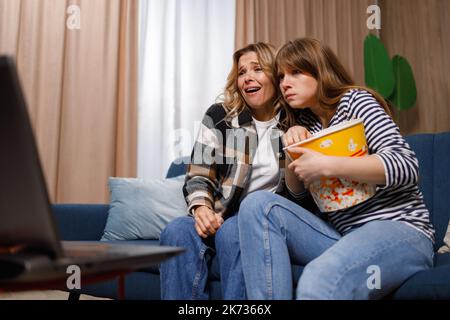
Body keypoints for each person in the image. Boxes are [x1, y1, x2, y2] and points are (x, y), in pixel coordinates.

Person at [237, 38, 435, 300]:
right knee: (257, 204)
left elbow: (408, 166)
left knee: (320, 279)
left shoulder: (356, 102)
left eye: (295, 72)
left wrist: (328, 164)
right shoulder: (306, 124)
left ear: (320, 70)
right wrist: (293, 155)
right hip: (343, 236)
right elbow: (300, 196)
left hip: (399, 229)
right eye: (282, 75)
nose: (285, 83)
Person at [159, 42, 294, 299]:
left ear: (276, 75)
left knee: (234, 231)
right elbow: (199, 172)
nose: (248, 78)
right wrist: (201, 209)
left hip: (260, 223)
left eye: (257, 69)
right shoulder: (221, 116)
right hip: (220, 216)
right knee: (176, 229)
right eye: (242, 72)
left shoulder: (294, 121)